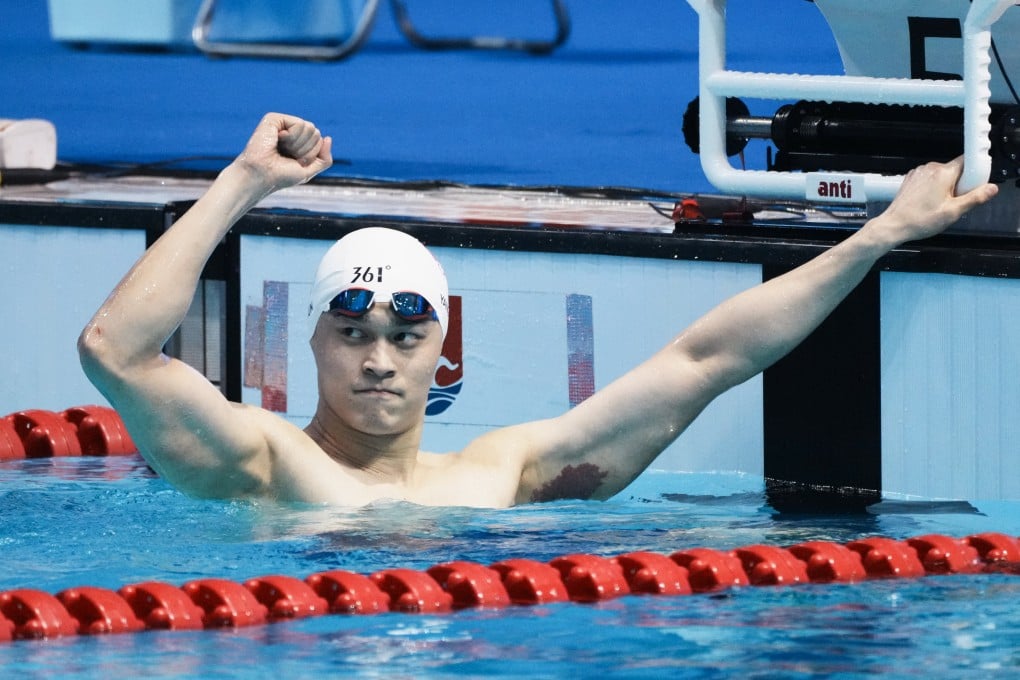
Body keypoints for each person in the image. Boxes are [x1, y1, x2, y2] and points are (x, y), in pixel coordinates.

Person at [78, 112, 999, 508]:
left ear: (443, 348)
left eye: (405, 336)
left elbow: (705, 362)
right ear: (312, 340)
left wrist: (879, 235)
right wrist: (244, 182)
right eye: (352, 333)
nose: (378, 360)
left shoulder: (503, 475)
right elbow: (116, 352)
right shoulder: (263, 461)